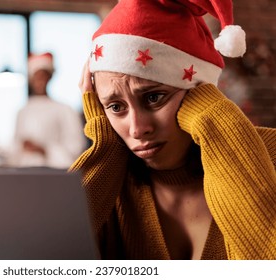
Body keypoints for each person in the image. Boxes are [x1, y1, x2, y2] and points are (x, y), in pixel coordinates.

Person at [70, 0, 276, 260]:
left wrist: (215, 123)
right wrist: (107, 148)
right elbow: (35, 264)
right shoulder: (107, 183)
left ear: (200, 93)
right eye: (115, 106)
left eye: (154, 97)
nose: (137, 129)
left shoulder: (272, 153)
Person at [8, 52, 86, 169]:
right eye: (36, 76)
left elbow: (76, 148)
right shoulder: (22, 112)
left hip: (55, 176)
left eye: (43, 75)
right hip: (25, 176)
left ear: (49, 77)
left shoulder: (65, 110)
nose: (40, 80)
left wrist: (44, 149)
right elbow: (14, 150)